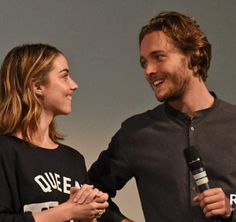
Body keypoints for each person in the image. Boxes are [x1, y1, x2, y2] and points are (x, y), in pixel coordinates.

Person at [87, 11, 236, 222]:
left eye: (158, 57)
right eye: (143, 62)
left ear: (194, 56)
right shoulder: (136, 133)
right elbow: (89, 194)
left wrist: (231, 205)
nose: (148, 70)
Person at [0, 43, 108, 222]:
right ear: (37, 87)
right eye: (64, 76)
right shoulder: (5, 151)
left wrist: (92, 210)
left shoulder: (73, 159)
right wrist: (67, 211)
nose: (74, 85)